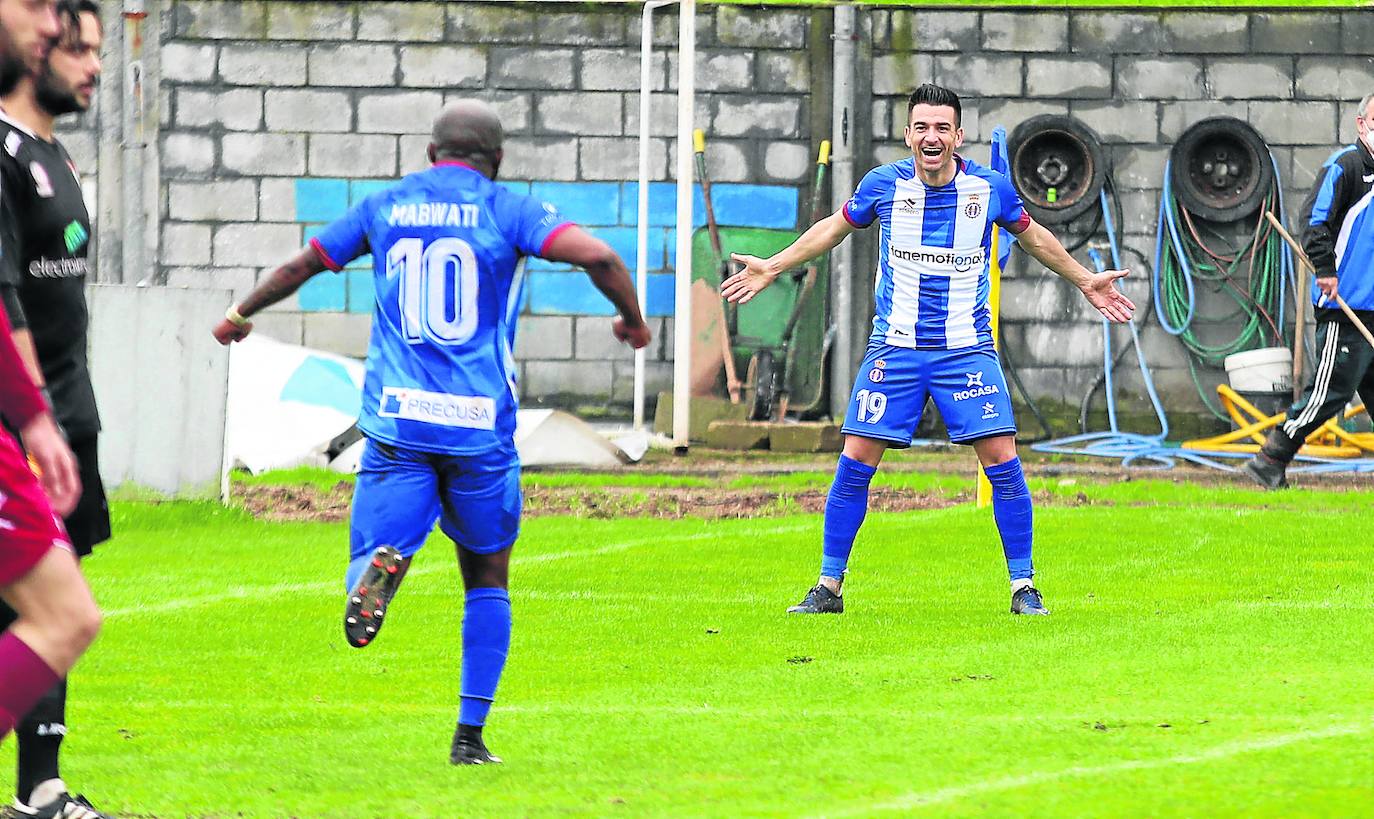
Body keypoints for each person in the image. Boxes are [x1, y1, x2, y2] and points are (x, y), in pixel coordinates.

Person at [211, 100, 652, 765]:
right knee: (487, 576)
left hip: (400, 420)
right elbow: (600, 256)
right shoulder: (509, 210)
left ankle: (377, 571)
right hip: (479, 428)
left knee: (376, 545)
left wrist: (241, 312)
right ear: (495, 160)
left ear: (429, 153)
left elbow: (305, 263)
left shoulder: (385, 205)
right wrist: (632, 321)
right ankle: (469, 736)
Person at [722, 84, 1135, 616]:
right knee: (854, 463)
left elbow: (1034, 238)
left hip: (966, 350)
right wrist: (775, 265)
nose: (931, 136)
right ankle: (828, 588)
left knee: (1002, 461)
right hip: (894, 350)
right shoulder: (883, 185)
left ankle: (1023, 587)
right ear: (908, 134)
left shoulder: (991, 190)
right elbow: (834, 229)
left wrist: (1084, 281)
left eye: (942, 127)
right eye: (922, 127)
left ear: (958, 136)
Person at [0, 3, 110, 815]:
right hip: (23, 418)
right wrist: (31, 417)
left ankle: (41, 784)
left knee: (54, 604)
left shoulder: (55, 154)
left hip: (64, 410)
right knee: (52, 607)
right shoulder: (4, 154)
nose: (91, 66)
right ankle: (40, 787)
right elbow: (9, 302)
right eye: (76, 48)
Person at [1243, 92, 1374, 490]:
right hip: (1344, 304)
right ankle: (1271, 457)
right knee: (1330, 390)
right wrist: (1326, 271)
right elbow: (1315, 222)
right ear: (1362, 124)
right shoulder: (1345, 167)